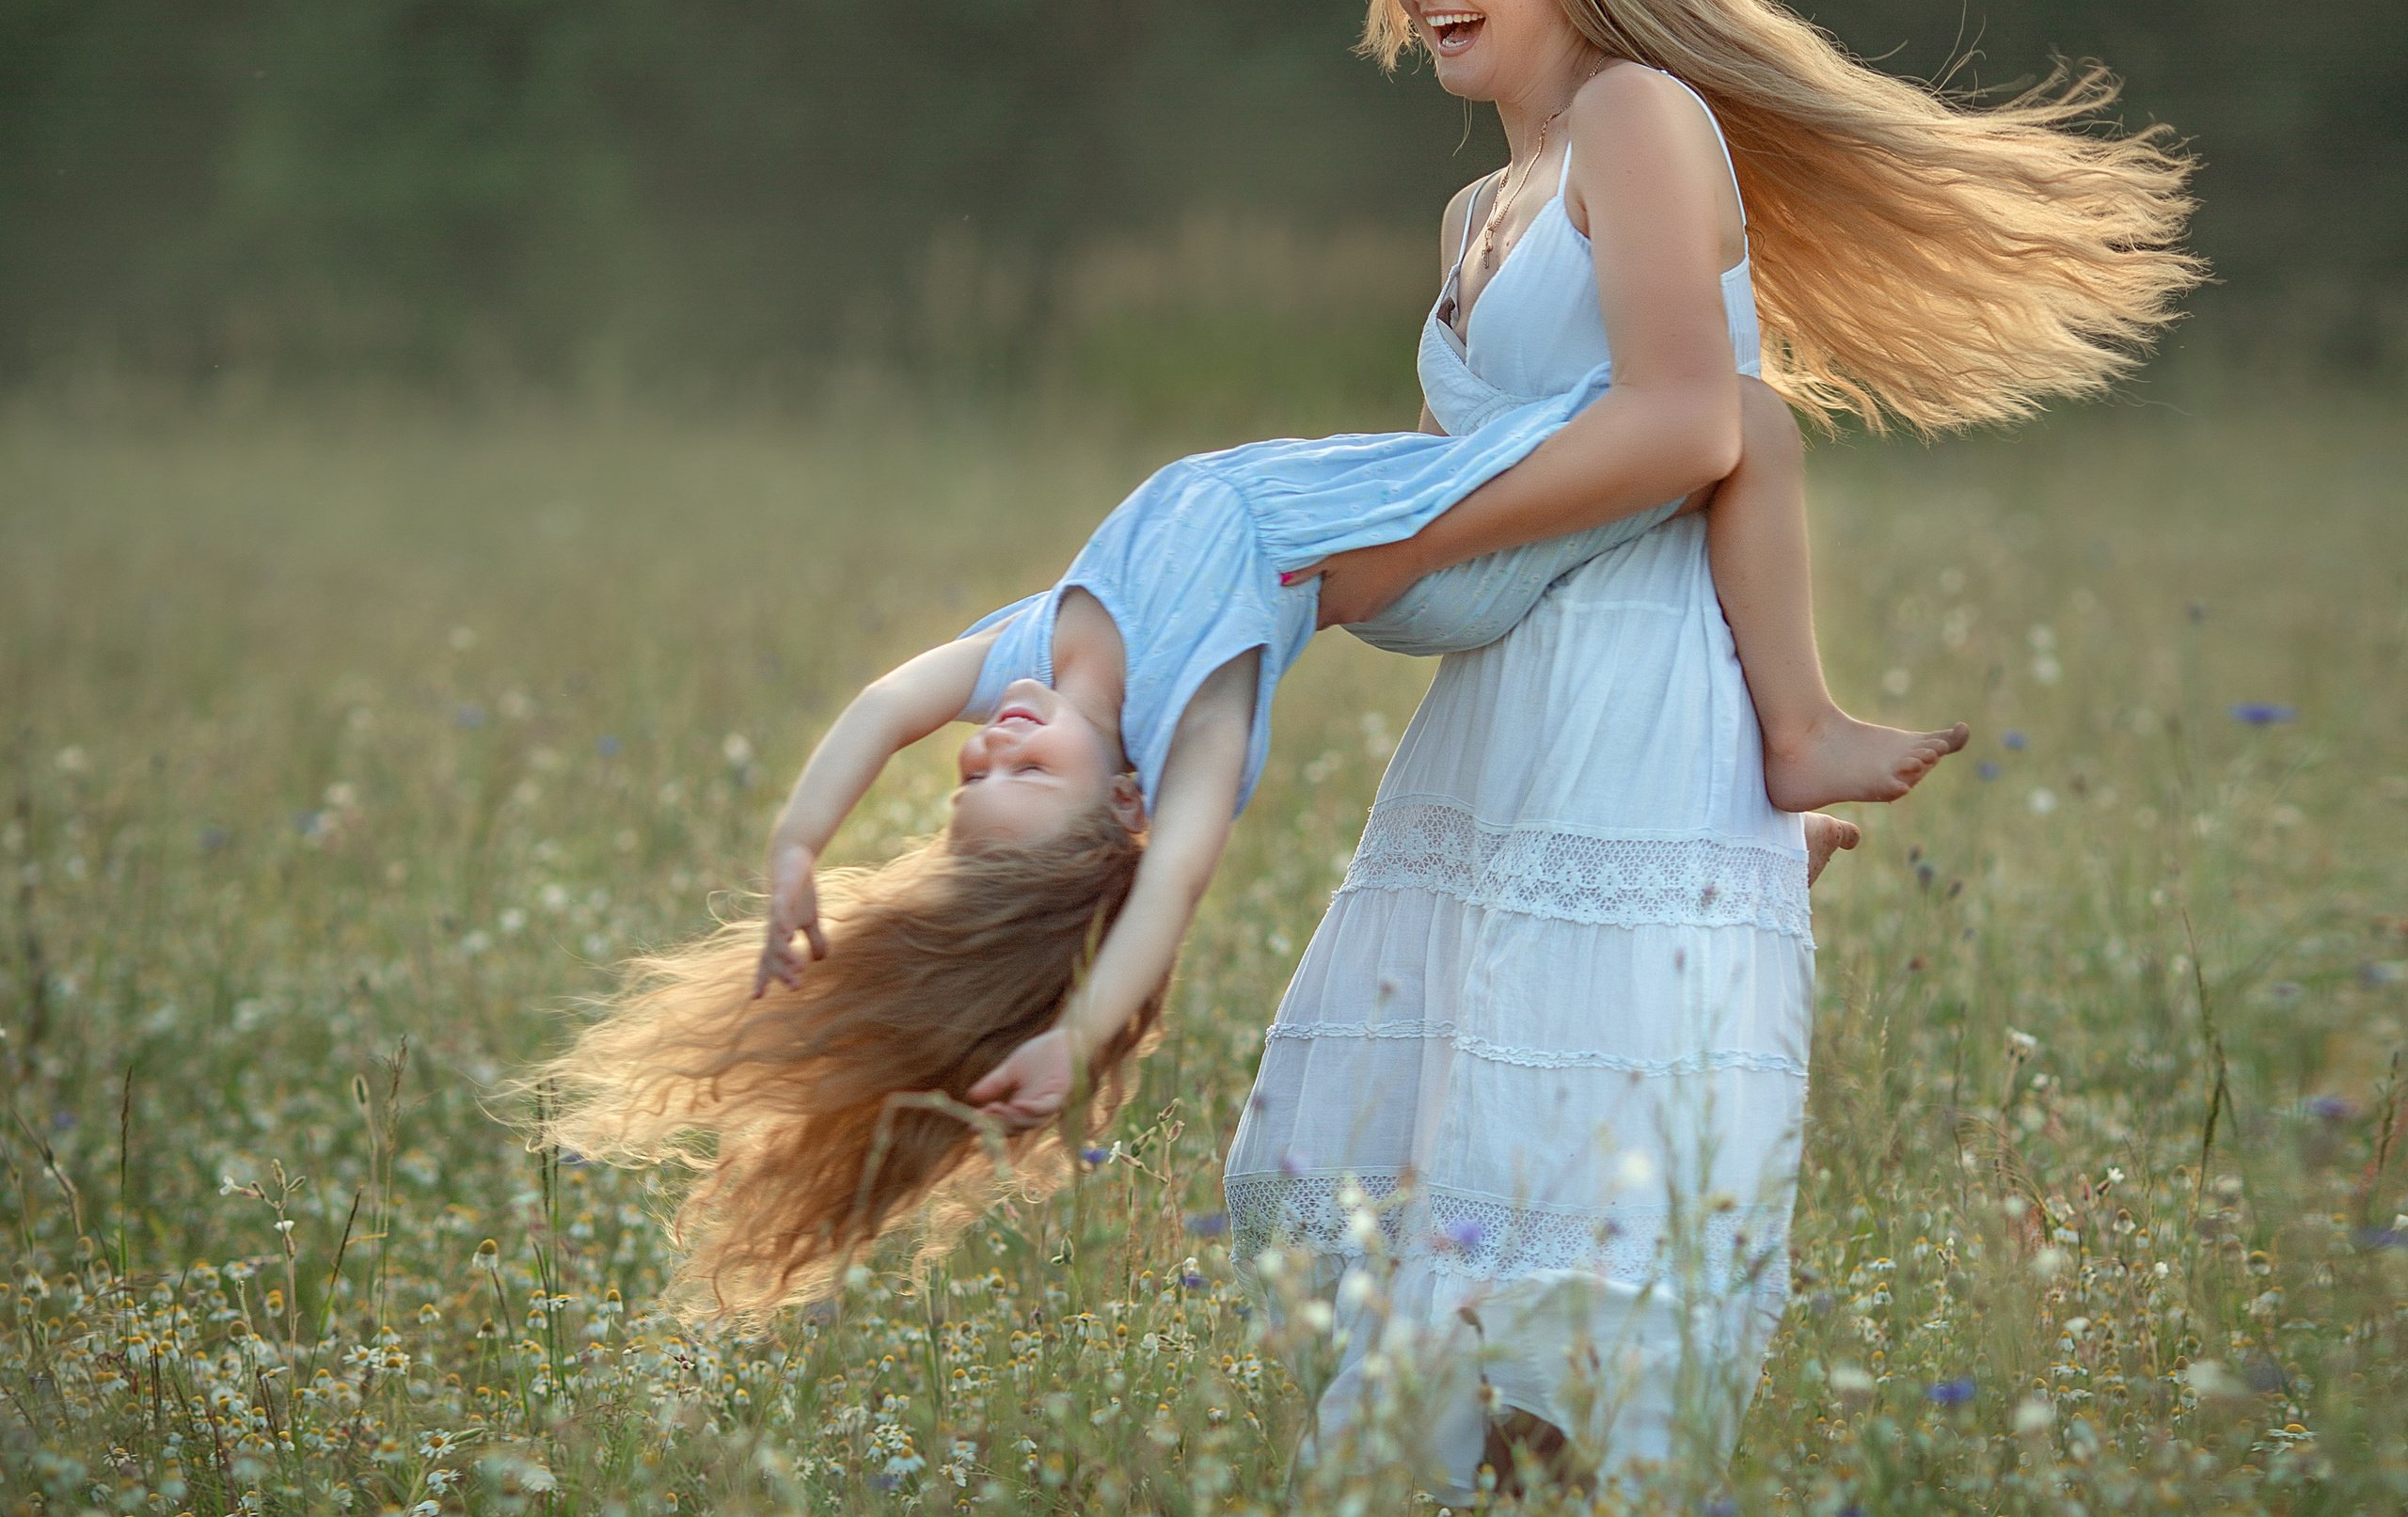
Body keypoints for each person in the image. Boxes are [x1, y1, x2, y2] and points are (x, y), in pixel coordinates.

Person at [1225, 0, 2196, 1505]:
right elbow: (1524, 460)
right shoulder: (1480, 212)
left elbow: (1696, 426)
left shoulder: (1639, 117)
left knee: (1582, 1150)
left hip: (1636, 672)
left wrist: (1410, 537)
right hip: (1503, 699)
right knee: (1461, 1135)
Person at [547, 298, 1907, 1314]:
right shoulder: (1195, 712)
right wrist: (1080, 1029)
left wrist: (799, 849)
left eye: (969, 786)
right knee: (1740, 417)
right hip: (1436, 558)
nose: (988, 752)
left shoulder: (1033, 659)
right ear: (1123, 801)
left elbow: (887, 705)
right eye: (1025, 782)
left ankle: (1763, 858)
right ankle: (1800, 736)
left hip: (1416, 504)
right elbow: (1178, 877)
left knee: (1676, 412)